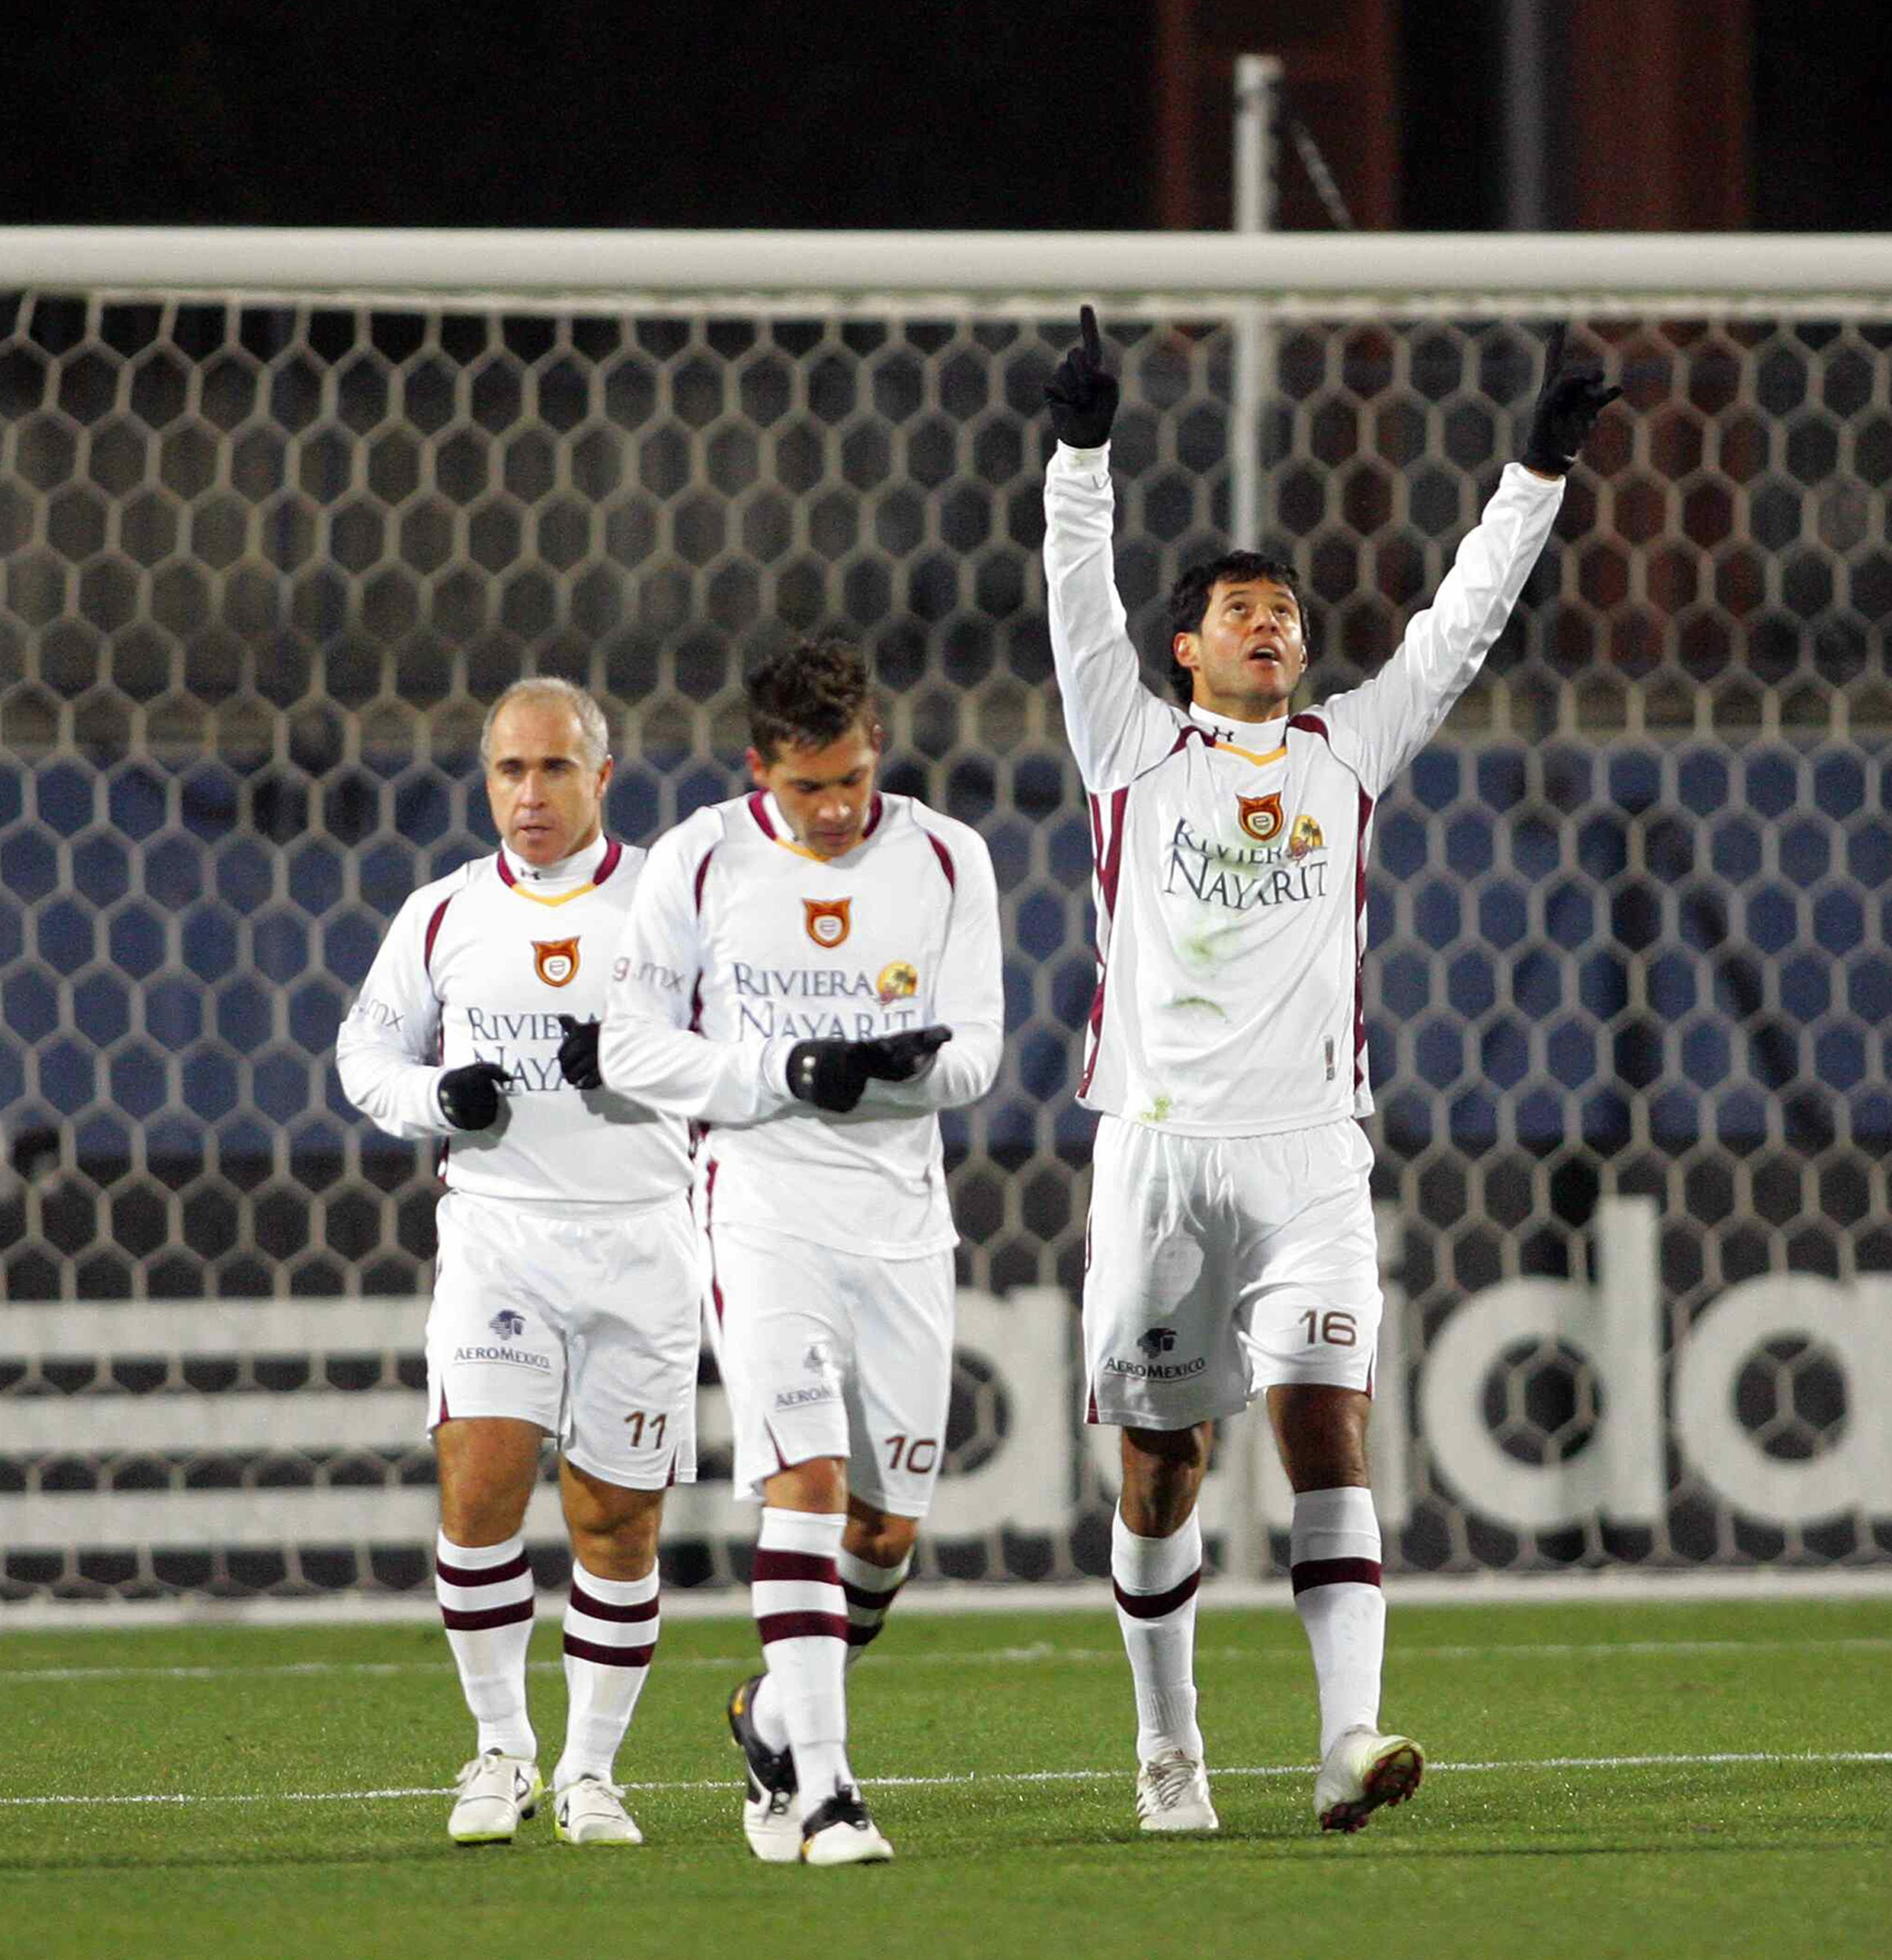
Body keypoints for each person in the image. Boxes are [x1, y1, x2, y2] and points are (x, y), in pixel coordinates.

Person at [1041, 309, 1619, 1834]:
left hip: (1311, 1152)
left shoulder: (1346, 754)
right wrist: (1080, 453)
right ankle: (1171, 1745)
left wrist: (1539, 465)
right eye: (1241, 610)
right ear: (1187, 647)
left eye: (1285, 611)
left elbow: (1462, 619)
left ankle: (1347, 1739)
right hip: (1158, 1150)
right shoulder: (1128, 745)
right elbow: (1073, 599)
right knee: (1161, 1468)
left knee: (1327, 1427)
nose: (1272, 625)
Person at [570, 639, 1003, 1865]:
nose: (835, 808)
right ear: (759, 767)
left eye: (855, 779)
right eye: (809, 786)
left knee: (883, 1539)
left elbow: (980, 1050)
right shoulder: (702, 861)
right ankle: (825, 1794)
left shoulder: (946, 857)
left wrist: (901, 1065)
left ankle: (770, 1716)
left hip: (905, 1224)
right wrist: (777, 1074)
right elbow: (629, 1046)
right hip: (761, 1206)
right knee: (801, 1483)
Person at [336, 677, 701, 1849]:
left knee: (616, 1528)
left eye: (553, 769)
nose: (529, 794)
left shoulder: (670, 902)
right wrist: (434, 1095)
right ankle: (501, 1751)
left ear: (604, 776)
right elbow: (364, 1053)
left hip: (643, 1242)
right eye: (508, 770)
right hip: (498, 1238)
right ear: (485, 779)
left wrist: (645, 1063)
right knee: (479, 1497)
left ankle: (592, 1771)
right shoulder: (444, 913)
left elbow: (744, 1052)